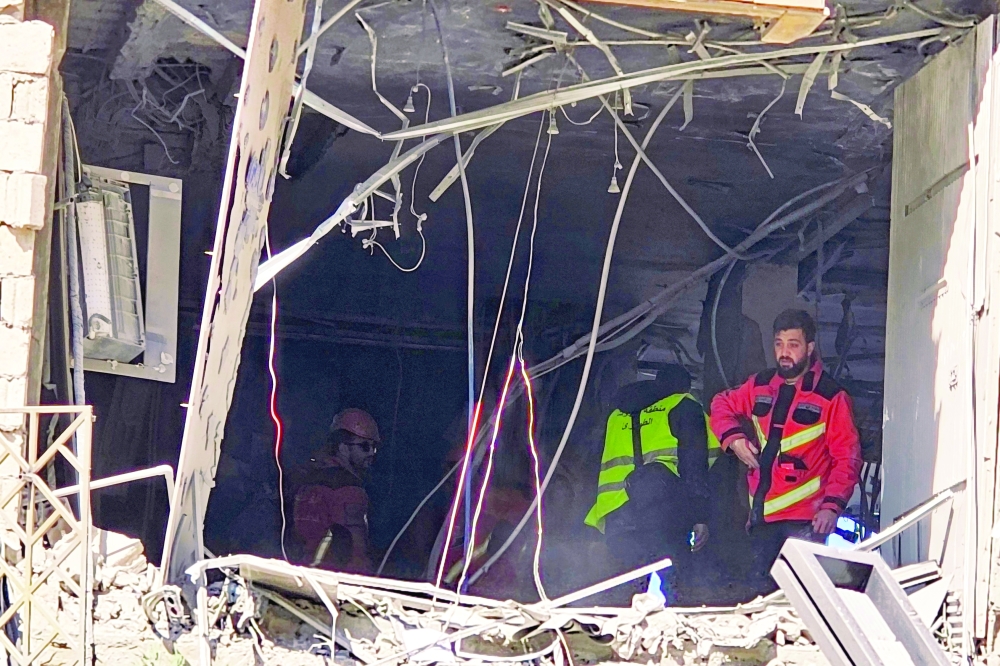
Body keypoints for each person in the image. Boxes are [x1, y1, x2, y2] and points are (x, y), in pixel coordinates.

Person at [710, 309, 861, 593]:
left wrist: (832, 507)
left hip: (806, 522)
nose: (784, 352)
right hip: (761, 520)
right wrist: (733, 439)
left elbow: (847, 458)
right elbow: (721, 404)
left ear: (810, 348)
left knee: (800, 600)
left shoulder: (832, 396)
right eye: (779, 343)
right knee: (759, 599)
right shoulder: (760, 385)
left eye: (793, 344)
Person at [584, 363, 721, 602]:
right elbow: (694, 463)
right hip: (662, 510)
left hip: (616, 512)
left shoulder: (616, 414)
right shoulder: (683, 405)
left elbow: (593, 461)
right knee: (674, 589)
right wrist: (700, 516)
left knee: (627, 594)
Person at [292, 408, 380, 572]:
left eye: (374, 447)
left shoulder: (307, 481)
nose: (372, 453)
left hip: (301, 572)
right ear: (343, 447)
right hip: (338, 582)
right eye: (365, 446)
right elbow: (356, 551)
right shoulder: (349, 489)